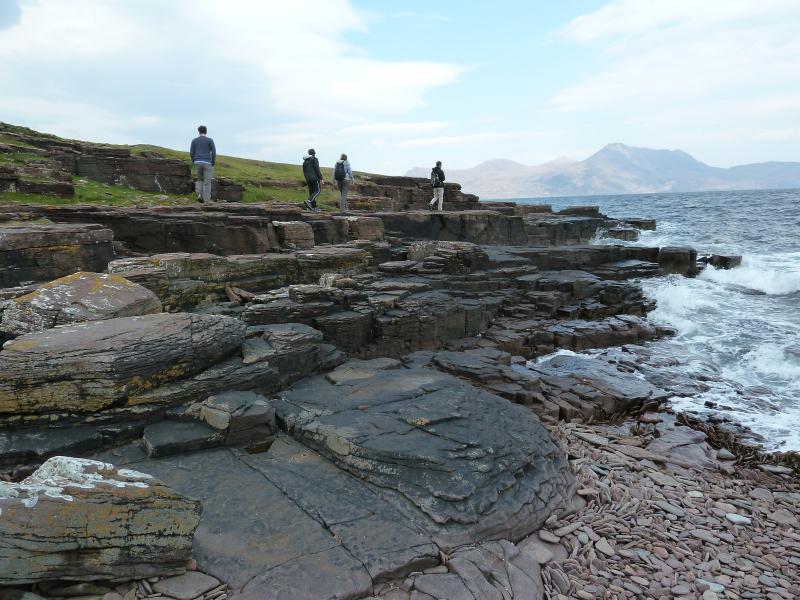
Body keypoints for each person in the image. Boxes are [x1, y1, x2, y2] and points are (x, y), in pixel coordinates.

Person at [190, 125, 216, 203]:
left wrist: (194, 161)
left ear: (199, 131)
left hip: (197, 162)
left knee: (200, 180)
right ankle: (206, 201)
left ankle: (199, 195)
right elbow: (214, 153)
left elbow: (191, 152)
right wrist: (213, 162)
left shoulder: (194, 140)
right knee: (207, 182)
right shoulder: (210, 140)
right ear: (206, 131)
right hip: (207, 162)